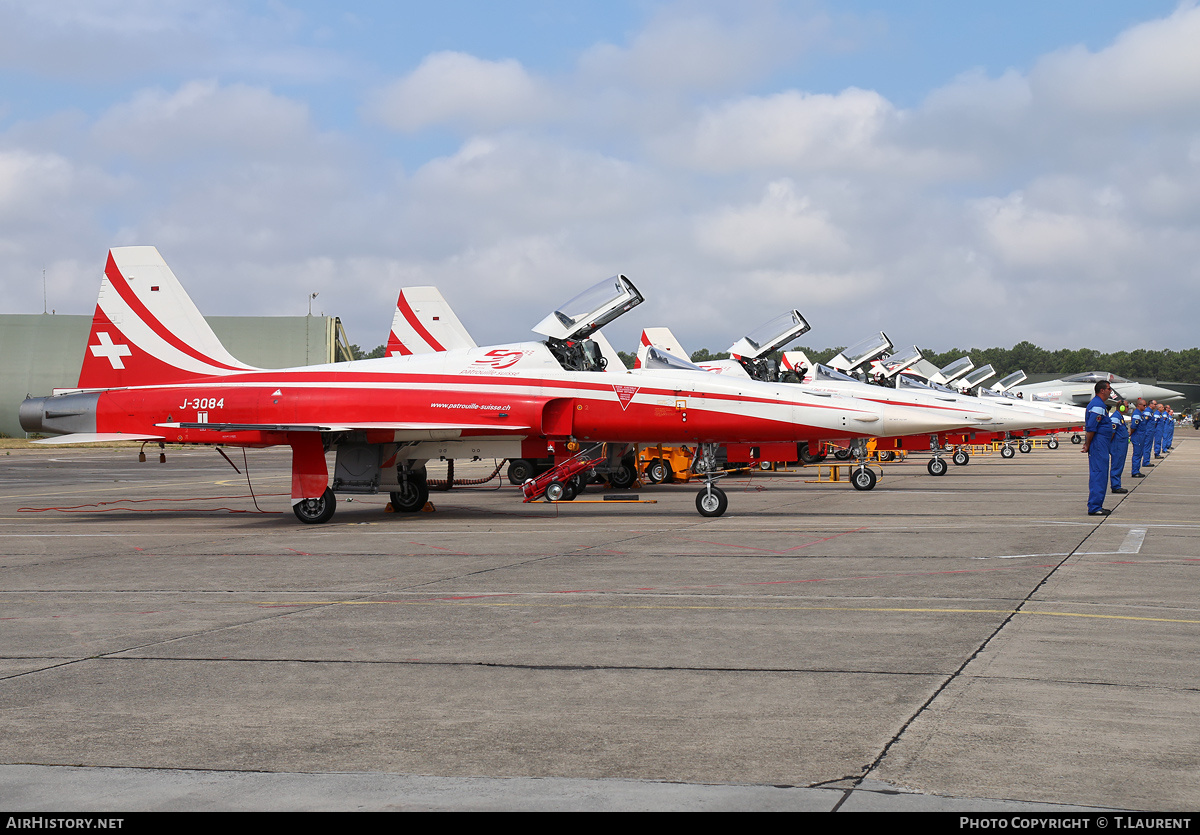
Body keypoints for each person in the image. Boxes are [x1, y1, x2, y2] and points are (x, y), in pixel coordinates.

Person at [1082, 380, 1114, 516]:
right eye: (1108, 388)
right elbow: (1091, 428)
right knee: (1099, 473)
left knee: (1100, 473)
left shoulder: (1099, 405)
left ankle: (1097, 505)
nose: (1110, 391)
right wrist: (1087, 444)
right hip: (1098, 444)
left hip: (1101, 444)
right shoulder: (1097, 405)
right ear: (1102, 390)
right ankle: (1095, 507)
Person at [1110, 397, 1129, 494]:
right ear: (1121, 407)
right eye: (1127, 406)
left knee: (1119, 465)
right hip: (1117, 446)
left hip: (1121, 446)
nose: (1128, 408)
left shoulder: (1120, 417)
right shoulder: (1115, 418)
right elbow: (1111, 433)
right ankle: (1115, 486)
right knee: (1116, 465)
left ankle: (1117, 484)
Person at [1129, 397, 1147, 479]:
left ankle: (1137, 470)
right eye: (1144, 405)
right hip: (1137, 436)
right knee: (1137, 454)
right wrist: (1130, 434)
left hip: (1140, 436)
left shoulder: (1140, 414)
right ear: (1139, 405)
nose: (1145, 407)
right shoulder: (1137, 414)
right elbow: (1134, 426)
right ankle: (1135, 471)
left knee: (1139, 454)